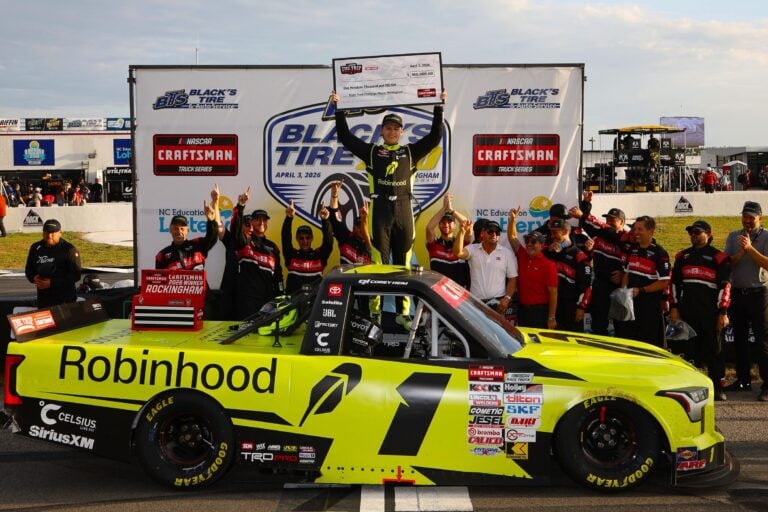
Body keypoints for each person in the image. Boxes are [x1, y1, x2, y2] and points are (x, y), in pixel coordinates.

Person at [332, 89, 445, 320]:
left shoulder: (410, 151)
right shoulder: (373, 152)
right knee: (379, 263)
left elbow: (434, 137)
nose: (392, 131)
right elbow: (346, 137)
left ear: (401, 132)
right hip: (380, 210)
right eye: (388, 128)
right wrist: (339, 108)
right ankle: (375, 314)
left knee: (403, 264)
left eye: (396, 128)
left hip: (404, 209)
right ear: (382, 131)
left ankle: (404, 315)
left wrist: (439, 106)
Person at [670, 220, 731, 401]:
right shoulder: (682, 256)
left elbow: (725, 287)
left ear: (708, 234)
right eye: (691, 233)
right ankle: (690, 387)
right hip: (688, 314)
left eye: (697, 232)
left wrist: (723, 312)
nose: (693, 236)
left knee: (715, 352)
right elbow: (674, 285)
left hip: (711, 314)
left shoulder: (719, 258)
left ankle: (718, 388)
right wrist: (674, 308)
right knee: (689, 352)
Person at [569, 192, 632, 335]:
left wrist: (623, 274)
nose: (608, 223)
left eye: (613, 220)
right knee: (598, 323)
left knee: (622, 325)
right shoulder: (600, 235)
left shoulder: (626, 239)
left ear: (622, 222)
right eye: (607, 219)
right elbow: (588, 224)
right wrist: (586, 204)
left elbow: (633, 263)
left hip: (620, 287)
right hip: (600, 285)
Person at [724, 201, 768, 401]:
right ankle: (743, 379)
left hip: (760, 294)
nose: (748, 221)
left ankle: (767, 385)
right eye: (745, 216)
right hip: (737, 293)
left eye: (752, 217)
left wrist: (749, 249)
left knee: (762, 342)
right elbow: (726, 264)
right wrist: (740, 253)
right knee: (739, 340)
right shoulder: (734, 236)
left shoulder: (766, 237)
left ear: (760, 217)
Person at [616, 216, 671, 347]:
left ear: (651, 231)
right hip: (631, 304)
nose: (636, 232)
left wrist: (642, 290)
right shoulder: (632, 249)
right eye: (635, 229)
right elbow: (627, 273)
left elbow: (664, 282)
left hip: (649, 307)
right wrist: (623, 292)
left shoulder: (660, 253)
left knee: (647, 344)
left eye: (640, 229)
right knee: (628, 341)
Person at [231, 188, 284, 319]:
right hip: (247, 301)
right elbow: (236, 230)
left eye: (264, 220)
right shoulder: (245, 241)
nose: (261, 222)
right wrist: (241, 206)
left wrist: (281, 296)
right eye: (258, 220)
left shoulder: (273, 247)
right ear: (252, 223)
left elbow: (278, 275)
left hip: (267, 300)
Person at [454, 218, 517, 316]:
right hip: (476, 303)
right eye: (490, 231)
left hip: (498, 304)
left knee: (497, 331)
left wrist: (507, 298)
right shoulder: (472, 249)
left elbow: (512, 279)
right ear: (483, 233)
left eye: (497, 232)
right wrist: (462, 231)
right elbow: (458, 253)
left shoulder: (507, 253)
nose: (494, 234)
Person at [508, 209, 558, 329]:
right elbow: (512, 236)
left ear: (541, 245)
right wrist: (512, 220)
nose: (529, 244)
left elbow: (553, 293)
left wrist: (551, 317)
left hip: (540, 312)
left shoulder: (548, 265)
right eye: (527, 241)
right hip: (522, 311)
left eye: (533, 242)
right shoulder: (522, 255)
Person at [543, 218, 592, 332]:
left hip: (571, 307)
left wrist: (581, 307)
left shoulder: (579, 255)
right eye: (551, 232)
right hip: (550, 305)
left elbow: (586, 285)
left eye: (555, 232)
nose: (552, 235)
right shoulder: (548, 251)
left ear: (565, 232)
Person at [155, 191, 219, 271]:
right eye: (175, 228)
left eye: (182, 228)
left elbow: (212, 237)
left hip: (201, 284)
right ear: (170, 230)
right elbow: (159, 280)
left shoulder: (198, 244)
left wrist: (211, 221)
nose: (179, 231)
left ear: (187, 230)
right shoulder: (162, 255)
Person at [24, 218, 82, 307]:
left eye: (52, 233)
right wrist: (33, 278)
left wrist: (52, 283)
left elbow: (76, 275)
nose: (49, 236)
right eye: (47, 232)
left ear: (60, 233)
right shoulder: (36, 248)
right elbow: (29, 269)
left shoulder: (69, 249)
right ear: (43, 233)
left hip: (65, 300)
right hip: (44, 299)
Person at [282, 200, 333, 294]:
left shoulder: (319, 256)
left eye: (307, 238)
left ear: (312, 239)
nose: (304, 241)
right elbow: (285, 238)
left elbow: (328, 242)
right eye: (301, 238)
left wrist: (325, 220)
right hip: (294, 304)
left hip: (314, 304)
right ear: (297, 239)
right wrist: (289, 218)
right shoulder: (291, 255)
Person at [425, 193, 470, 288]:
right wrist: (444, 208)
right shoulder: (433, 244)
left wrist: (451, 210)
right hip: (439, 292)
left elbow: (468, 225)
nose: (446, 225)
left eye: (449, 222)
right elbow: (429, 228)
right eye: (443, 222)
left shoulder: (461, 243)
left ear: (454, 225)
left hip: (458, 293)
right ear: (438, 224)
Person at [327, 180, 372, 266]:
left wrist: (364, 218)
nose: (362, 229)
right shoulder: (345, 237)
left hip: (364, 279)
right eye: (359, 226)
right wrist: (334, 195)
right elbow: (334, 215)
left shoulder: (373, 246)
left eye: (363, 226)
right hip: (346, 279)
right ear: (353, 228)